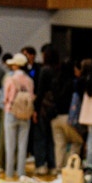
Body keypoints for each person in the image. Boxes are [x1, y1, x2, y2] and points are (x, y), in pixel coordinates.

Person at [1, 53, 34, 179]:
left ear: (16, 65)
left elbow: (5, 97)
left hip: (11, 112)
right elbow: (31, 97)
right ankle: (21, 172)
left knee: (10, 145)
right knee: (22, 145)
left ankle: (9, 172)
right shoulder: (29, 80)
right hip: (25, 114)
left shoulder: (10, 79)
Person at [51, 59, 84, 170]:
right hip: (70, 118)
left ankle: (59, 169)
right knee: (76, 142)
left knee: (59, 145)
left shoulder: (55, 81)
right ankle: (70, 169)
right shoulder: (74, 83)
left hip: (55, 117)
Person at [32, 45, 60, 175]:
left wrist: (35, 110)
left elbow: (40, 91)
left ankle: (41, 164)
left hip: (44, 108)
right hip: (56, 108)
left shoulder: (45, 70)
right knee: (52, 138)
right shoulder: (59, 70)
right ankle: (53, 165)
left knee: (40, 137)